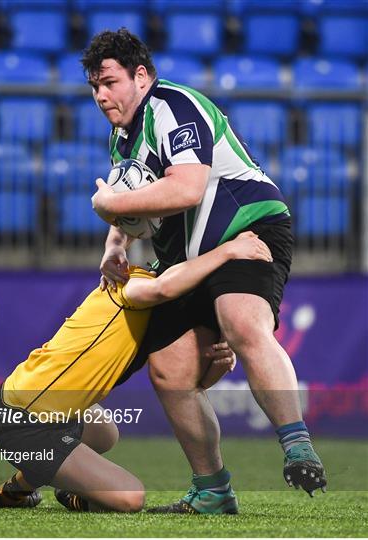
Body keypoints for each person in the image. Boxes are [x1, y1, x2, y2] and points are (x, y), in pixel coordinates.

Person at [85, 28, 327, 512]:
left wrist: (106, 206)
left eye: (109, 82)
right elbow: (134, 203)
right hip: (188, 257)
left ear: (141, 75)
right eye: (94, 87)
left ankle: (297, 443)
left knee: (241, 323)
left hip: (247, 229)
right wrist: (116, 240)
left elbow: (187, 189)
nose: (101, 95)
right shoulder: (121, 136)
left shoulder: (171, 107)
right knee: (170, 372)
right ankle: (213, 489)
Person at [0, 232, 271, 513]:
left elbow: (187, 385)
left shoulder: (153, 308)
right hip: (24, 420)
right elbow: (164, 288)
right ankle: (70, 493)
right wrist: (229, 250)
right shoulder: (135, 285)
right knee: (131, 498)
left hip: (35, 401)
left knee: (105, 433)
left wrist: (216, 366)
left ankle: (17, 488)